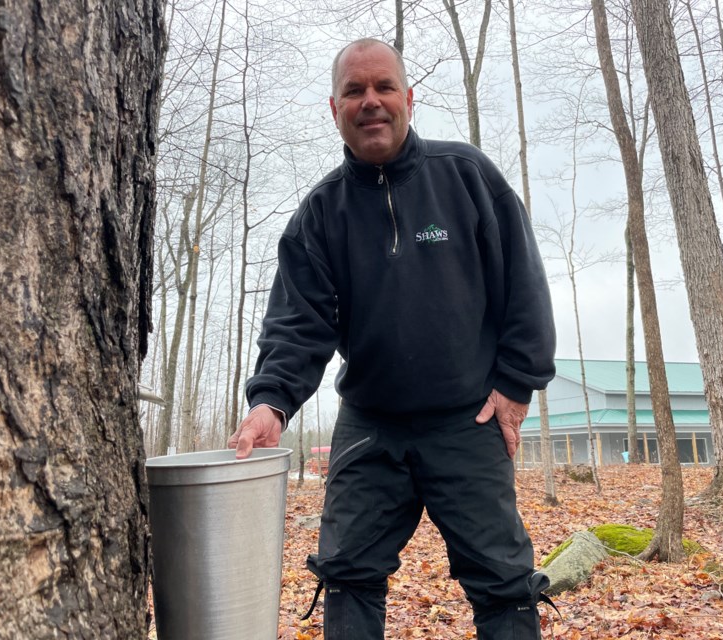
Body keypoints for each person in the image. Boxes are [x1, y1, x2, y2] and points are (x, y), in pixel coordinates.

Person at [227, 37, 557, 640]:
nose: (370, 101)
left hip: (470, 420)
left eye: (383, 88)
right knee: (347, 572)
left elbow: (525, 288)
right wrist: (271, 402)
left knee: (505, 582)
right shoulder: (321, 214)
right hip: (371, 424)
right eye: (354, 91)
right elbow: (299, 322)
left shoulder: (468, 177)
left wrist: (517, 385)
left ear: (409, 98)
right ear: (335, 109)